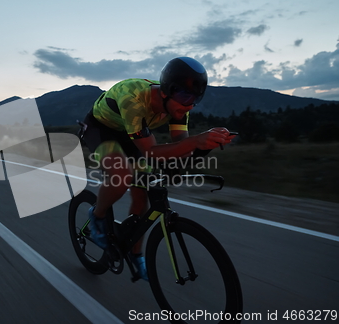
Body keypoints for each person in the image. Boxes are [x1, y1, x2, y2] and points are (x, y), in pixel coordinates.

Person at [81, 57, 237, 281]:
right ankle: (97, 215)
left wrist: (206, 145)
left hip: (132, 134)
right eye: (185, 96)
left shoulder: (180, 107)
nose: (190, 104)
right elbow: (152, 152)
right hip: (102, 129)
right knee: (122, 175)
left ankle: (136, 255)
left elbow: (180, 150)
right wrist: (194, 142)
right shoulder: (133, 99)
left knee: (143, 193)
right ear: (166, 91)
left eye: (196, 98)